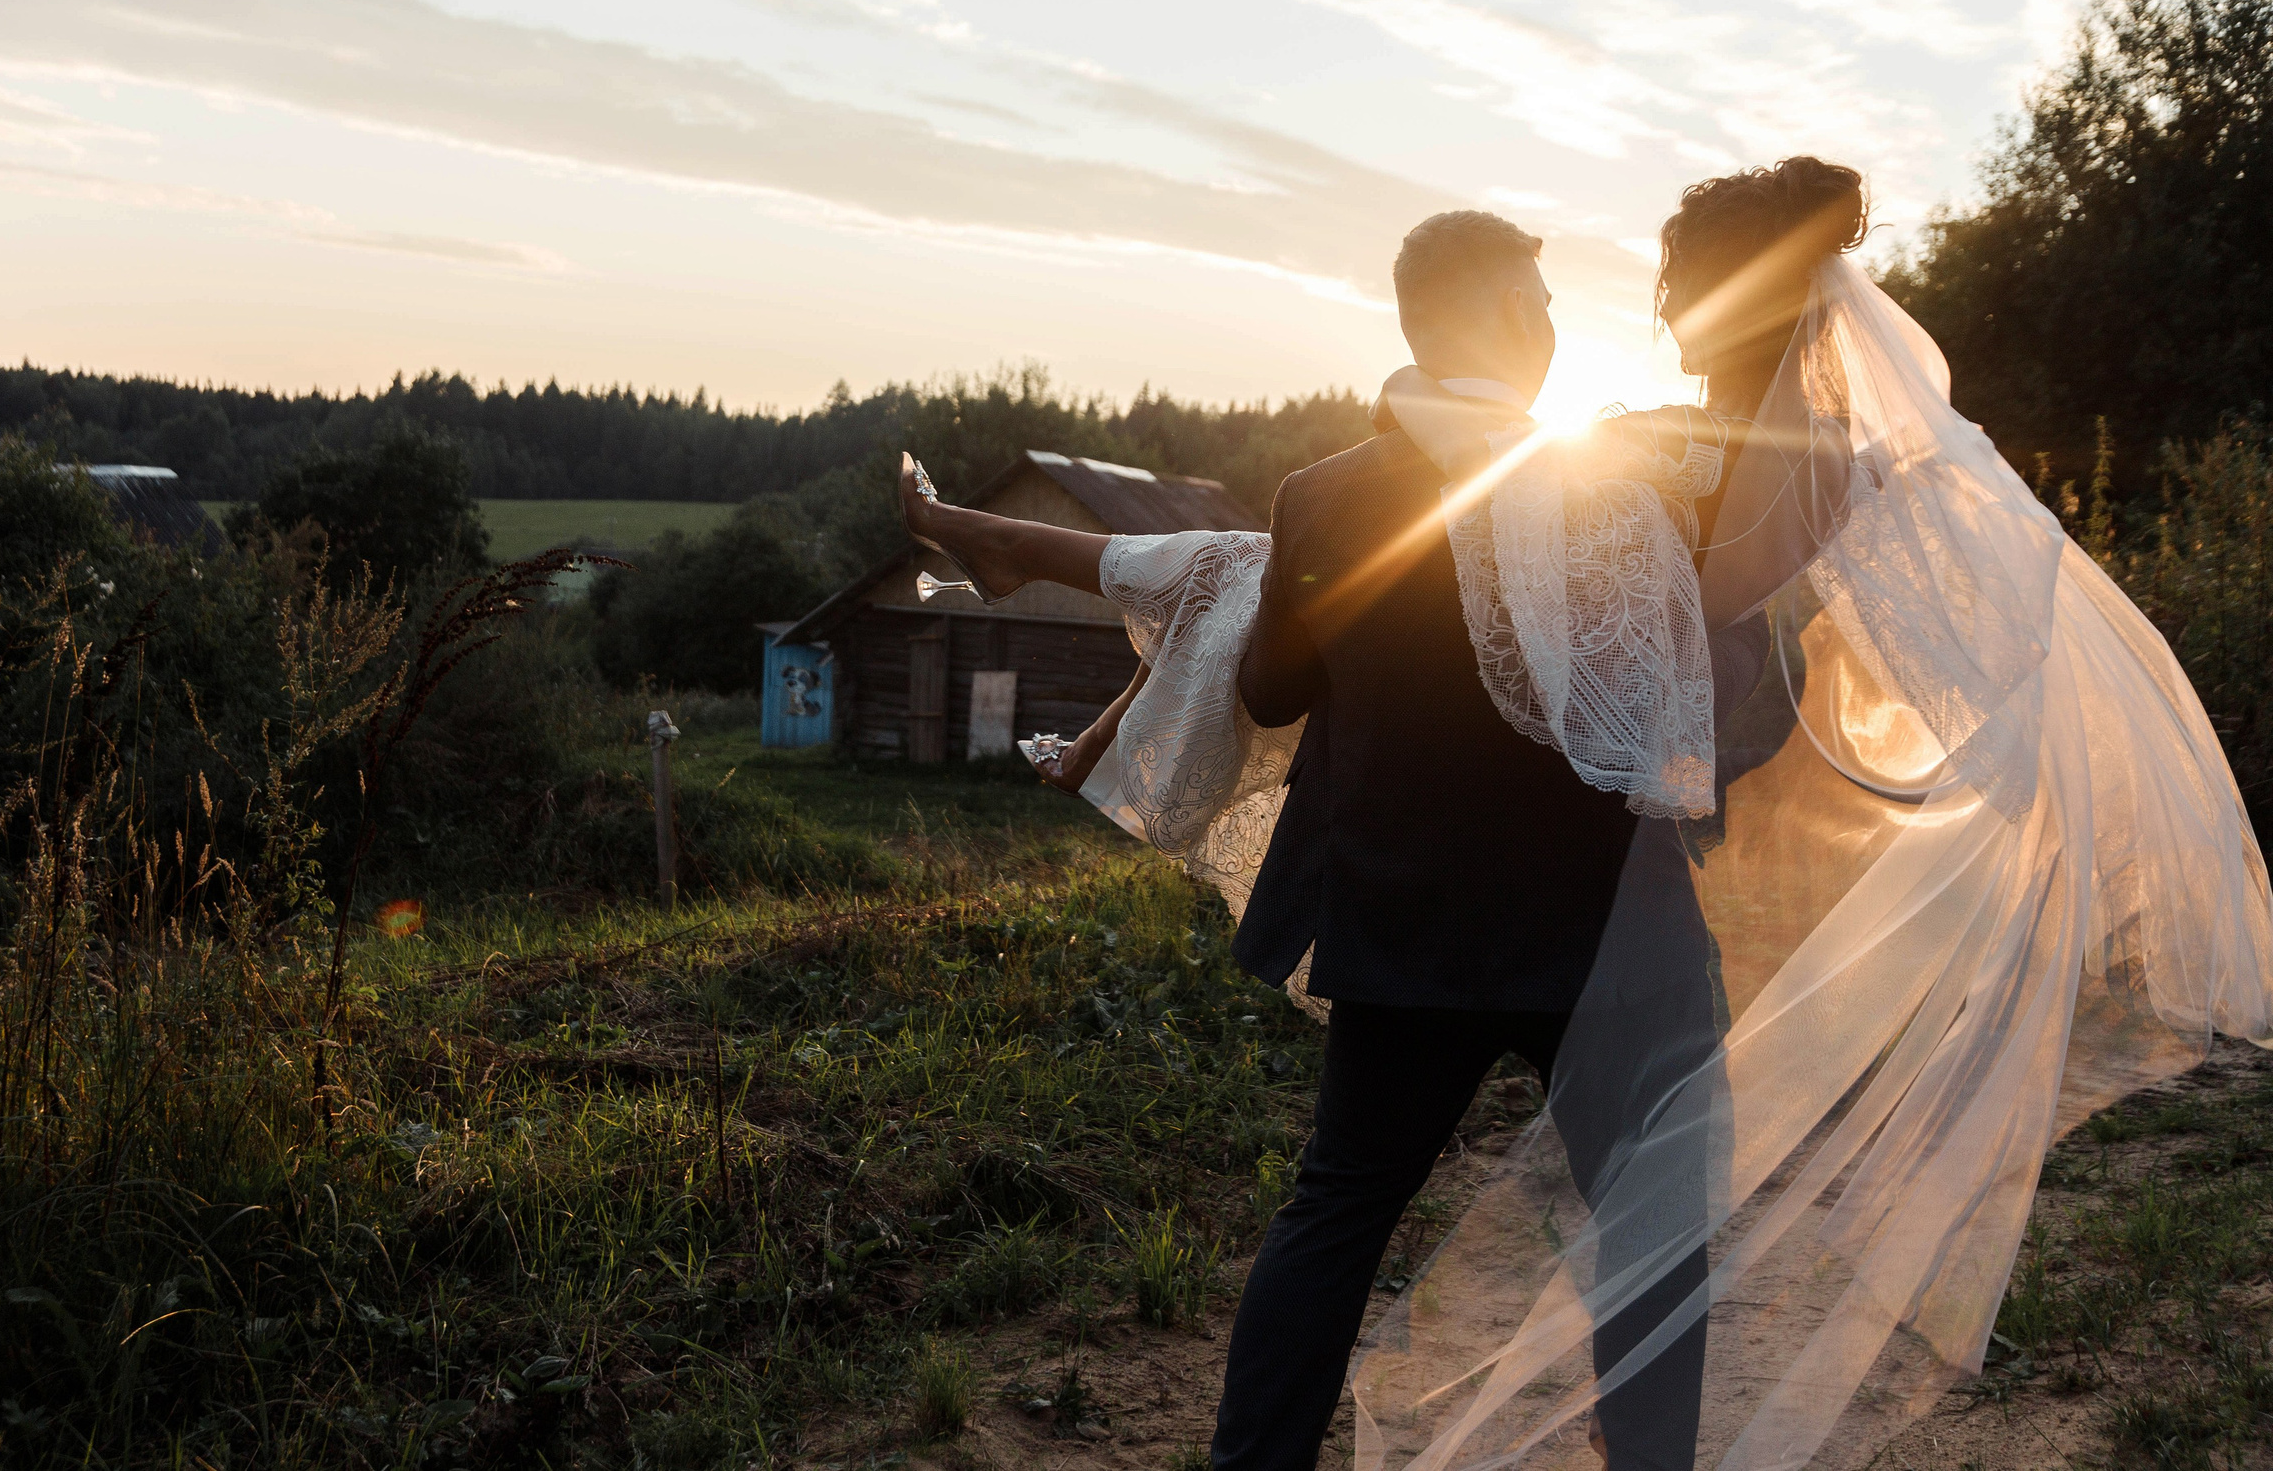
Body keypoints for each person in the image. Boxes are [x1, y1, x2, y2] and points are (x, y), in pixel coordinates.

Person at [897, 160, 2273, 1471]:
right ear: (1500, 314)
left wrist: (1222, 610)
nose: (1565, 324)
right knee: (1653, 1224)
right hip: (1610, 935)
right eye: (1544, 303)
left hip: (1403, 917)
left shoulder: (1325, 497)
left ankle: (1251, 1462)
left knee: (1339, 1209)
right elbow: (1726, 677)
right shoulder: (1632, 482)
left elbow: (1267, 678)